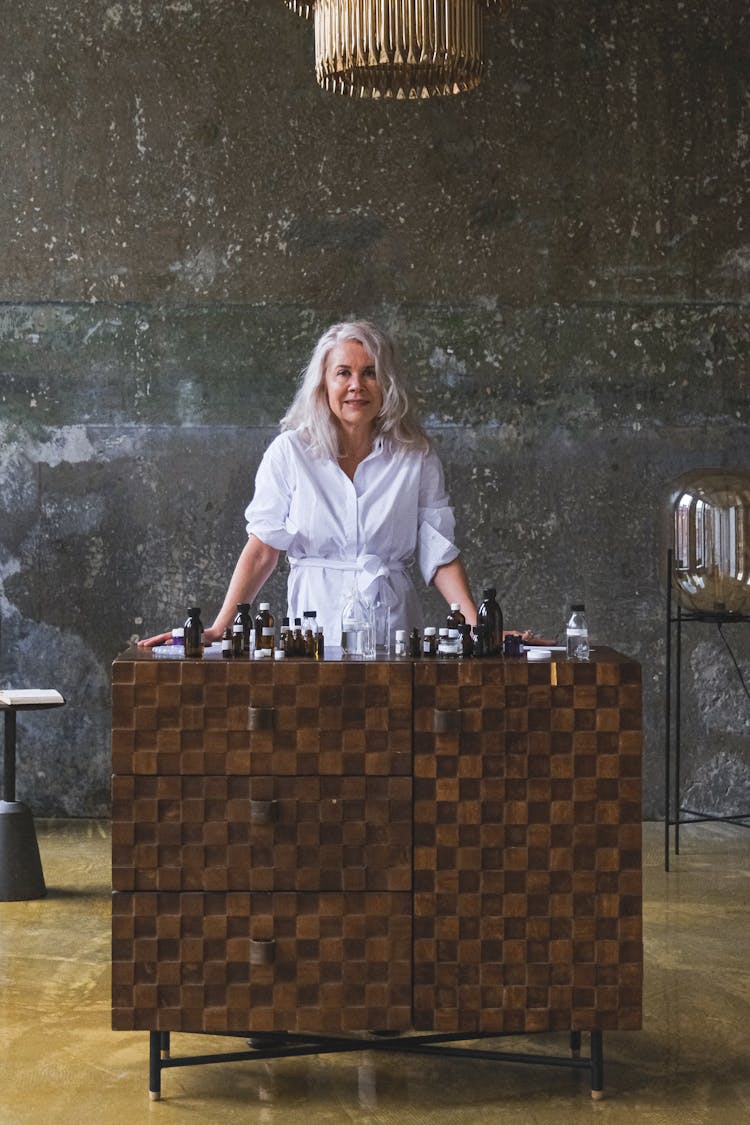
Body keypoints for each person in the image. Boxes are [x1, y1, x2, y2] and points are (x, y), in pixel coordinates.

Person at [139, 320, 476, 649]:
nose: (356, 385)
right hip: (314, 628)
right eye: (343, 373)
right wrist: (219, 627)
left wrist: (478, 628)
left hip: (393, 629)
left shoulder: (415, 456)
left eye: (370, 373)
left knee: (392, 706)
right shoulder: (290, 452)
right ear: (324, 384)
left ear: (386, 384)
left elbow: (439, 551)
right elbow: (262, 550)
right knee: (312, 705)